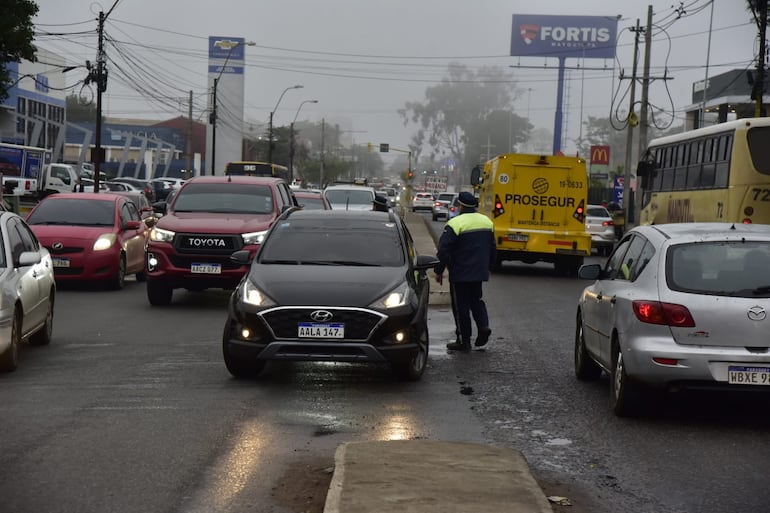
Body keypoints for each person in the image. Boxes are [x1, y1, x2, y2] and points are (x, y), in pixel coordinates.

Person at [434, 191, 496, 351]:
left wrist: (439, 269)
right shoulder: (487, 222)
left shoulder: (455, 223)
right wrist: (489, 266)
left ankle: (464, 340)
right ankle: (483, 326)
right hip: (479, 272)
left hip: (460, 273)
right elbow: (493, 248)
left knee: (461, 307)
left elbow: (443, 250)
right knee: (476, 301)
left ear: (460, 205)